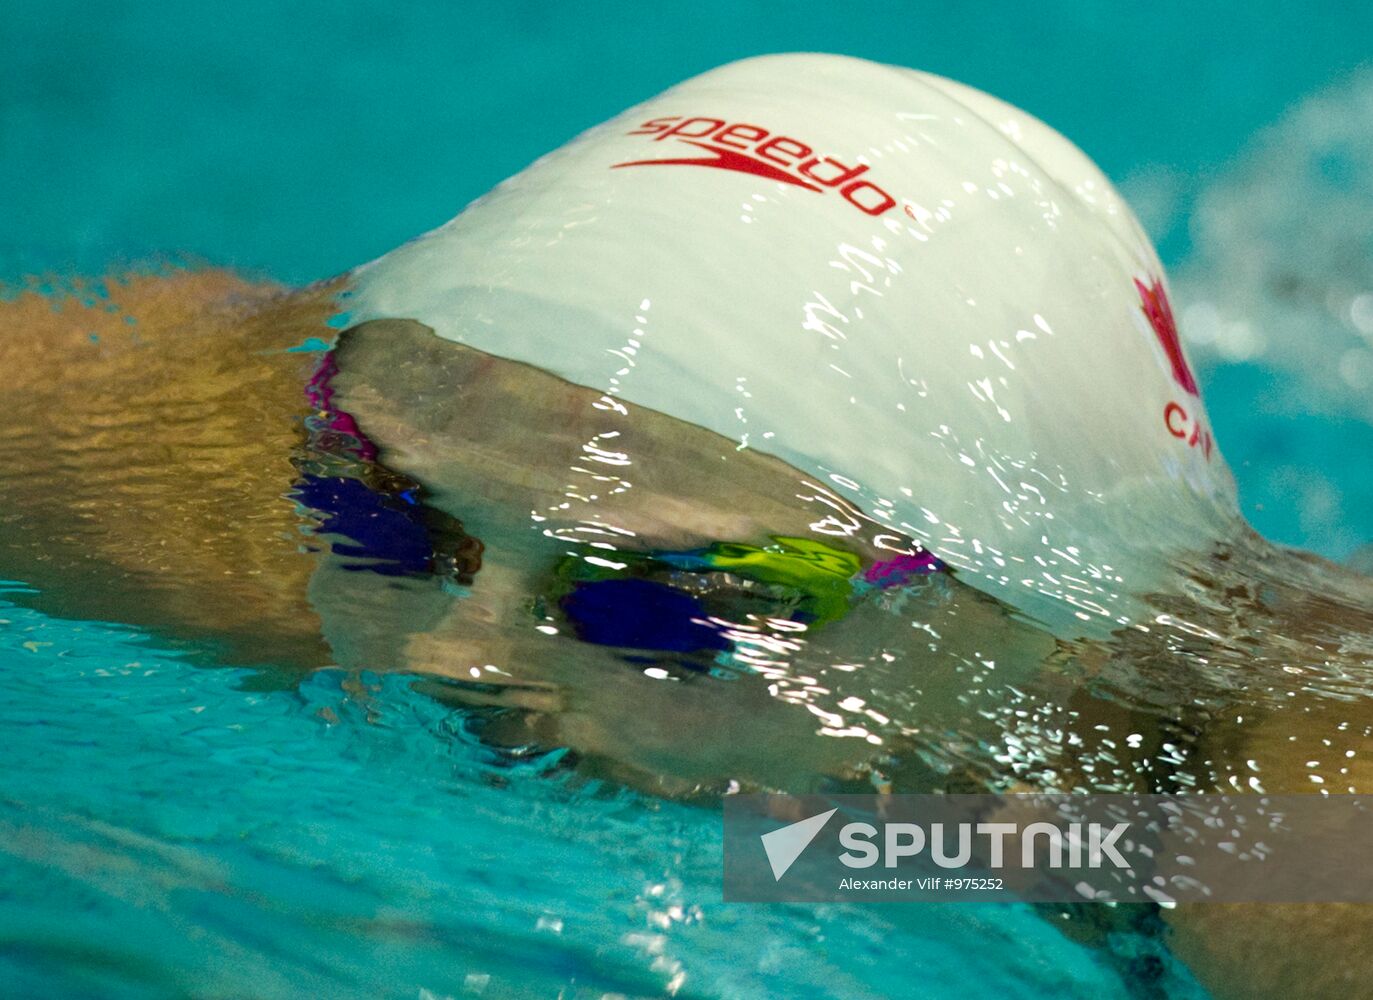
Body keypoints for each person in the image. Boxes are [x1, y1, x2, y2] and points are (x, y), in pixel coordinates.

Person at [3, 53, 1371, 997]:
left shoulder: (1275, 819)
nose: (453, 659)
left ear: (1040, 621)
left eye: (662, 604)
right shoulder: (240, 474)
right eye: (391, 526)